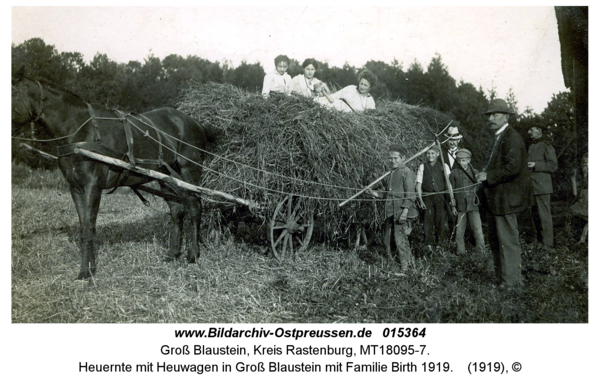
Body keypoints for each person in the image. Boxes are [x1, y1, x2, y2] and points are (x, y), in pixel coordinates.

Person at [476, 99, 531, 288]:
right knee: (497, 240)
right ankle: (502, 279)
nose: (490, 118)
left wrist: (487, 176)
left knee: (507, 241)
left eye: (495, 114)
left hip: (506, 199)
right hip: (496, 199)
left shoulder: (512, 138)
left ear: (506, 116)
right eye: (489, 115)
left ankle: (512, 282)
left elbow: (513, 168)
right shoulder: (499, 137)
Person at [367, 143, 418, 270]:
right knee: (387, 240)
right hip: (390, 212)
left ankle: (407, 267)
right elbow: (388, 193)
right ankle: (392, 264)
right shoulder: (391, 173)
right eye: (391, 158)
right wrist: (374, 193)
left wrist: (405, 212)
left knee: (400, 240)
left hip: (401, 213)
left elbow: (411, 195)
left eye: (396, 158)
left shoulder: (407, 173)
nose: (393, 161)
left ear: (403, 158)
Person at [416, 145, 452, 252]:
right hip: (427, 196)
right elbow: (418, 185)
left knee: (440, 219)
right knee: (428, 219)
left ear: (437, 154)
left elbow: (448, 183)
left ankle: (440, 243)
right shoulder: (422, 166)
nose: (430, 156)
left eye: (433, 153)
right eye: (428, 153)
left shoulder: (444, 166)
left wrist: (451, 198)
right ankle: (428, 244)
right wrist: (420, 200)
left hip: (440, 196)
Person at [527, 126, 558, 249]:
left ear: (539, 131)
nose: (529, 132)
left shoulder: (547, 146)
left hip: (543, 187)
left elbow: (553, 166)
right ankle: (538, 241)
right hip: (532, 186)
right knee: (534, 215)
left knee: (544, 215)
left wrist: (536, 165)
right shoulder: (531, 146)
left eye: (531, 129)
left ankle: (547, 244)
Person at [449, 149, 485, 255]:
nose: (461, 163)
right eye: (459, 160)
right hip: (460, 206)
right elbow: (451, 191)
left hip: (473, 206)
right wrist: (453, 206)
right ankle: (460, 253)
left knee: (477, 229)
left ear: (469, 160)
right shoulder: (454, 173)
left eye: (464, 160)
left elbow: (480, 189)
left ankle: (481, 253)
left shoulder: (475, 173)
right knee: (459, 231)